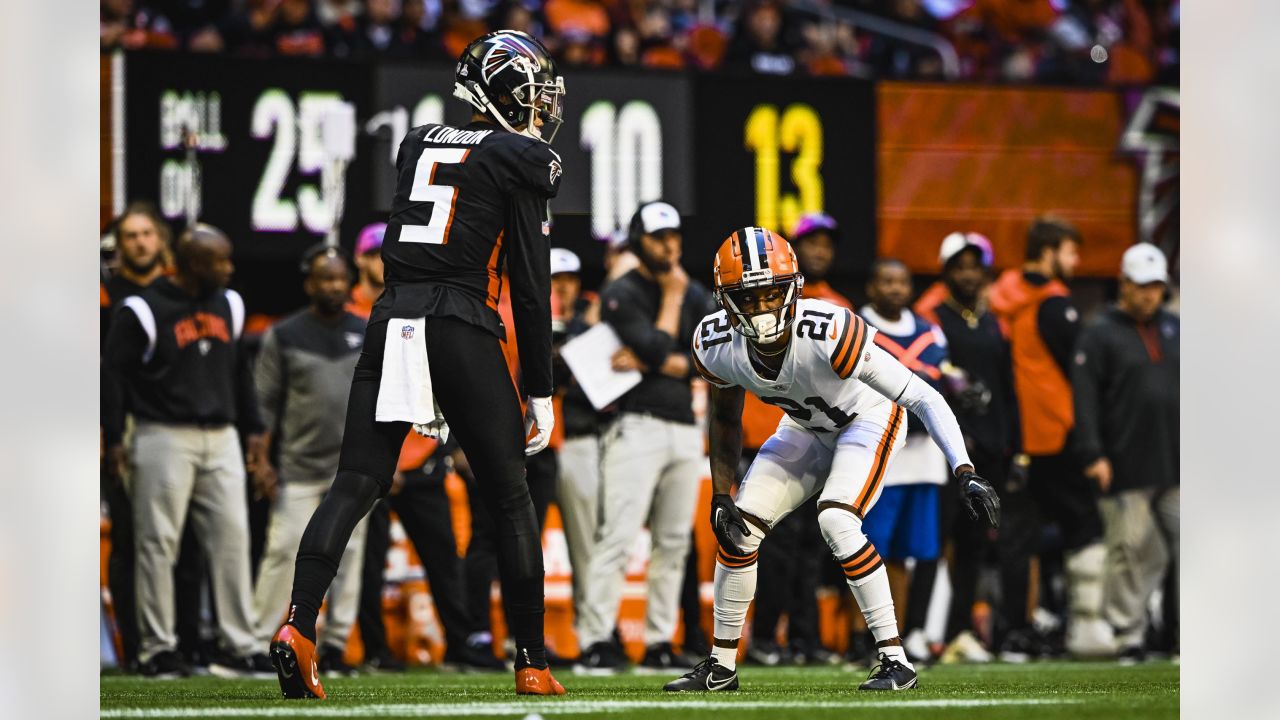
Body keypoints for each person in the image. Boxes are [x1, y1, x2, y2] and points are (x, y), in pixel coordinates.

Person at [270, 29, 568, 699]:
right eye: (533, 93)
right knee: (511, 497)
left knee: (355, 481)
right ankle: (531, 660)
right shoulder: (521, 159)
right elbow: (530, 286)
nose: (542, 107)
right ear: (500, 92)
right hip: (460, 321)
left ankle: (298, 625)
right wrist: (541, 391)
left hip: (391, 318)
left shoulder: (418, 142)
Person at [665, 227, 998, 694]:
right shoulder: (715, 343)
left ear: (793, 290)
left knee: (837, 520)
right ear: (725, 300)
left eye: (771, 294)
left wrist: (964, 469)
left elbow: (922, 395)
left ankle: (895, 660)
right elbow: (724, 420)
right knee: (739, 531)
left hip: (868, 418)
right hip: (805, 427)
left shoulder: (828, 331)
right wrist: (724, 492)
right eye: (749, 296)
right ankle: (721, 667)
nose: (762, 308)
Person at [101, 223, 269, 678]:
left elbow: (239, 372)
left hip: (222, 436)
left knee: (233, 539)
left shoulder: (229, 303)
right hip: (162, 434)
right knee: (157, 545)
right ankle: (158, 647)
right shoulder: (141, 308)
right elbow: (112, 376)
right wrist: (114, 438)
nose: (230, 268)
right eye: (221, 261)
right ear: (194, 264)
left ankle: (240, 643)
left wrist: (254, 429)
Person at [574, 201, 716, 673]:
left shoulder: (695, 291)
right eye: (658, 237)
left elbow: (710, 356)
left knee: (673, 542)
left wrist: (660, 359)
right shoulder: (623, 291)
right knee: (617, 536)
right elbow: (660, 348)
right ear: (639, 242)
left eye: (674, 235)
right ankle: (595, 639)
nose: (669, 245)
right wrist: (672, 304)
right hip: (635, 425)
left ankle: (659, 640)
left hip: (682, 426)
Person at [988, 217, 1109, 658]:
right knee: (1086, 526)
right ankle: (1087, 628)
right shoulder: (1054, 304)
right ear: (1050, 250)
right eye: (1071, 251)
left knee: (1019, 540)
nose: (1076, 261)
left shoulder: (1004, 296)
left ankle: (1015, 632)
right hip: (1056, 435)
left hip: (1017, 438)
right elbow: (1082, 377)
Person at [249, 245, 369, 676]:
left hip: (352, 470)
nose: (334, 286)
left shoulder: (368, 328)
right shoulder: (285, 334)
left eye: (340, 278)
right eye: (325, 278)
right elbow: (263, 403)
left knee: (350, 555)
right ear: (309, 284)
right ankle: (261, 641)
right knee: (282, 551)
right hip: (298, 466)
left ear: (350, 283)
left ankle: (336, 644)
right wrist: (261, 461)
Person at [745, 211, 849, 667]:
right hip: (770, 435)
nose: (821, 250)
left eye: (827, 242)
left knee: (811, 547)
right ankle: (766, 637)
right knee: (777, 544)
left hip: (819, 437)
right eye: (811, 242)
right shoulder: (764, 300)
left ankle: (807, 639)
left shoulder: (840, 306)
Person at [1072, 243, 1179, 662]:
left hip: (1177, 464)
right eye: (1142, 286)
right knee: (1129, 551)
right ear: (1124, 284)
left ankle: (1181, 631)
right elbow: (1085, 400)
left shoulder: (1175, 328)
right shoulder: (1099, 334)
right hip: (1124, 463)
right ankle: (1128, 633)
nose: (1150, 294)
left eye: (1156, 286)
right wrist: (1093, 453)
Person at [928, 233, 1022, 665]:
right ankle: (926, 631)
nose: (968, 274)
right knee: (943, 536)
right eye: (960, 266)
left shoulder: (992, 320)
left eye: (974, 266)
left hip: (992, 445)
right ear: (947, 272)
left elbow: (1007, 386)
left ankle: (966, 629)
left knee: (980, 543)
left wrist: (1015, 446)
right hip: (952, 447)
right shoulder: (934, 318)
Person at [858, 259, 952, 665]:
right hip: (878, 448)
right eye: (887, 281)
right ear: (872, 287)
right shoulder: (856, 326)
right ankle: (857, 637)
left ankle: (898, 635)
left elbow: (943, 378)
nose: (896, 289)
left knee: (913, 551)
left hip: (923, 454)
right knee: (867, 549)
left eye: (902, 281)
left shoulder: (929, 330)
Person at [346, 222, 386, 319]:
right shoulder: (344, 306)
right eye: (375, 255)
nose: (383, 261)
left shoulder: (405, 307)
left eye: (389, 255)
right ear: (359, 258)